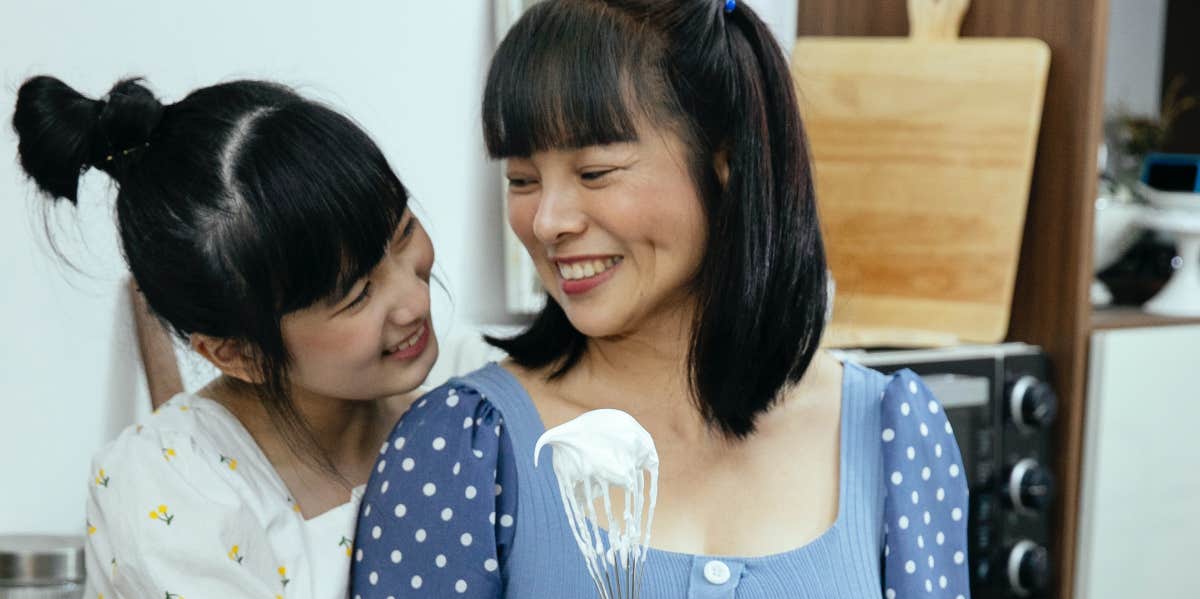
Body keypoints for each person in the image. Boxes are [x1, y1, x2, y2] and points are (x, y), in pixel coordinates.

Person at [351, 0, 970, 597]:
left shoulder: (892, 433)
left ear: (725, 161)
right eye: (522, 179)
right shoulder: (462, 447)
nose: (547, 221)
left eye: (595, 172)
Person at [13, 75, 438, 598]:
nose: (415, 301)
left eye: (404, 232)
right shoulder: (169, 486)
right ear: (238, 353)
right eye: (356, 296)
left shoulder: (461, 420)